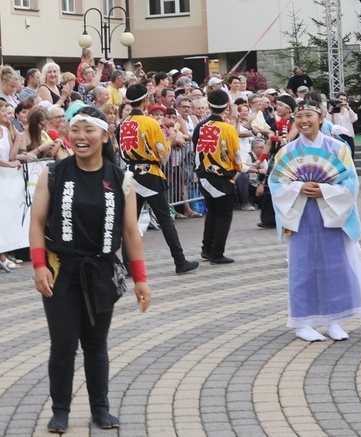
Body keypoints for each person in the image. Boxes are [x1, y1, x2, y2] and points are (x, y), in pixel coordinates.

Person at [29, 105, 152, 433]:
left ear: (104, 134)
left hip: (101, 271)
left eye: (89, 130)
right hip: (61, 270)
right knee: (64, 343)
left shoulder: (121, 179)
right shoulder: (53, 174)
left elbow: (129, 232)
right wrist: (39, 265)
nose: (81, 137)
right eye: (75, 130)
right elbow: (37, 222)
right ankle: (60, 409)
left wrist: (140, 279)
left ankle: (100, 407)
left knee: (96, 344)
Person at [269, 100, 361, 342]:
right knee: (302, 268)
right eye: (299, 116)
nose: (303, 121)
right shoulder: (286, 152)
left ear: (321, 118)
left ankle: (334, 320)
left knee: (335, 267)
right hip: (301, 216)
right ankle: (303, 322)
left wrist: (325, 191)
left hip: (331, 215)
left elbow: (350, 183)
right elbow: (276, 184)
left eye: (308, 115)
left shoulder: (337, 148)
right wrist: (299, 187)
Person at [119, 84, 199, 274]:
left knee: (131, 222)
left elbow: (122, 152)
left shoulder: (123, 124)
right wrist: (170, 139)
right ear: (146, 100)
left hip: (130, 173)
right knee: (165, 220)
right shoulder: (150, 123)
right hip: (150, 174)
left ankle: (127, 264)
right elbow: (163, 154)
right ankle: (180, 261)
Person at [194, 89, 242, 264]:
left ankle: (207, 249)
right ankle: (217, 253)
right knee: (223, 215)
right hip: (221, 177)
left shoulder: (200, 126)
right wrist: (239, 168)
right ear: (227, 106)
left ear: (209, 105)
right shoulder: (228, 129)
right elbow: (236, 155)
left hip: (203, 175)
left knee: (212, 213)